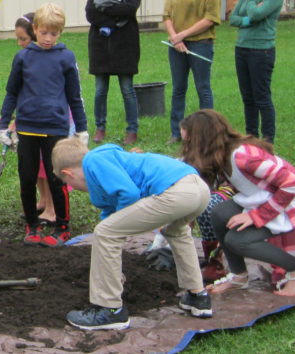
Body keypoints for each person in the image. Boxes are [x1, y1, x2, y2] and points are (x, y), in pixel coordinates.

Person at [53, 137, 213, 330]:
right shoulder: (109, 166)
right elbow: (112, 216)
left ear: (67, 174)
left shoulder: (93, 160)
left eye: (69, 185)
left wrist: (112, 234)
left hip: (175, 192)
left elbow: (128, 194)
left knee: (104, 232)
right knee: (176, 232)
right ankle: (198, 296)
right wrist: (108, 264)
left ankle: (110, 310)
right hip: (199, 189)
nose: (74, 189)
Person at [180, 110, 295, 297]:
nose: (186, 147)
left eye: (188, 142)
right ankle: (239, 276)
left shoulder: (244, 157)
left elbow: (292, 183)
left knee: (237, 240)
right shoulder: (220, 155)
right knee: (219, 213)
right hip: (261, 198)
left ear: (202, 141)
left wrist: (256, 216)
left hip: (291, 204)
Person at [0, 2, 87, 246]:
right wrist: (4, 125)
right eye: (44, 32)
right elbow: (12, 93)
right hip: (27, 127)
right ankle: (32, 225)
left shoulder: (66, 57)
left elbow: (74, 97)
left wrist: (81, 130)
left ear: (60, 32)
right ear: (35, 29)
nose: (48, 38)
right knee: (27, 177)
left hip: (55, 128)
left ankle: (62, 226)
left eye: (54, 34)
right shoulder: (23, 57)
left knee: (57, 178)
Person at [163, 0, 222, 143]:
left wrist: (183, 35)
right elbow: (167, 16)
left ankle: (208, 131)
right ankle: (175, 132)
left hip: (201, 44)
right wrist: (175, 39)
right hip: (177, 46)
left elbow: (210, 19)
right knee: (178, 88)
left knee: (203, 88)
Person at [85, 0, 141, 145]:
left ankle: (132, 129)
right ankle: (100, 127)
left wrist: (105, 8)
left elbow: (129, 10)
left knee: (127, 90)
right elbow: (91, 14)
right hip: (101, 49)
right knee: (100, 91)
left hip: (125, 49)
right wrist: (115, 20)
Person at [229, 0, 284, 143]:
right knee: (248, 97)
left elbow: (255, 14)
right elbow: (233, 17)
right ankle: (251, 137)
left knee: (261, 97)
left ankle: (268, 140)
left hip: (261, 50)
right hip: (242, 47)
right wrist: (249, 18)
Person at [12, 13, 61, 219]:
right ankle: (42, 200)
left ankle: (52, 208)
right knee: (35, 167)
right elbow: (20, 91)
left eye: (23, 39)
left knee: (48, 166)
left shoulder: (55, 59)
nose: (20, 43)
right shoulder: (24, 59)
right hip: (30, 120)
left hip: (51, 120)